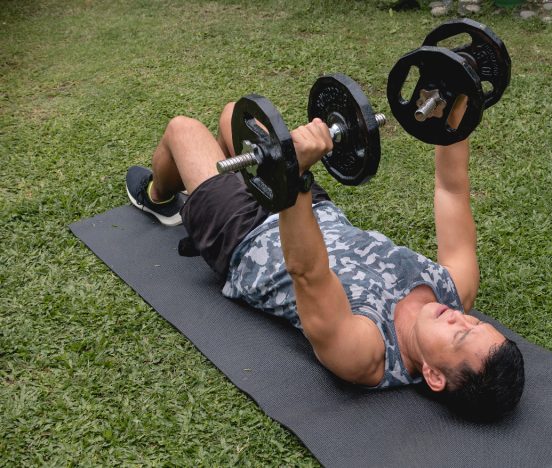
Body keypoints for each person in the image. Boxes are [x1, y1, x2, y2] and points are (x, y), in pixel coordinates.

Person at [126, 100, 525, 422]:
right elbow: (452, 191)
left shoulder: (365, 354)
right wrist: (454, 111)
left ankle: (160, 198)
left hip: (244, 239)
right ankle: (221, 175)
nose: (459, 317)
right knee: (237, 114)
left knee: (183, 129)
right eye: (474, 323)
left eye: (459, 335)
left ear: (435, 377)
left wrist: (293, 174)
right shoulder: (455, 290)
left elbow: (308, 273)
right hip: (314, 213)